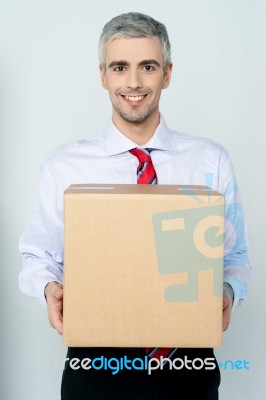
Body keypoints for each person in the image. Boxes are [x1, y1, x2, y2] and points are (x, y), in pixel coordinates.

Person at [19, 12, 251, 400]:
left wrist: (227, 289)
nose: (134, 82)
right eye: (119, 67)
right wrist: (49, 288)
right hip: (95, 367)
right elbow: (37, 254)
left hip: (188, 366)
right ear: (103, 76)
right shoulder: (64, 167)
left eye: (148, 66)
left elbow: (235, 255)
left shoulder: (211, 161)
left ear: (168, 74)